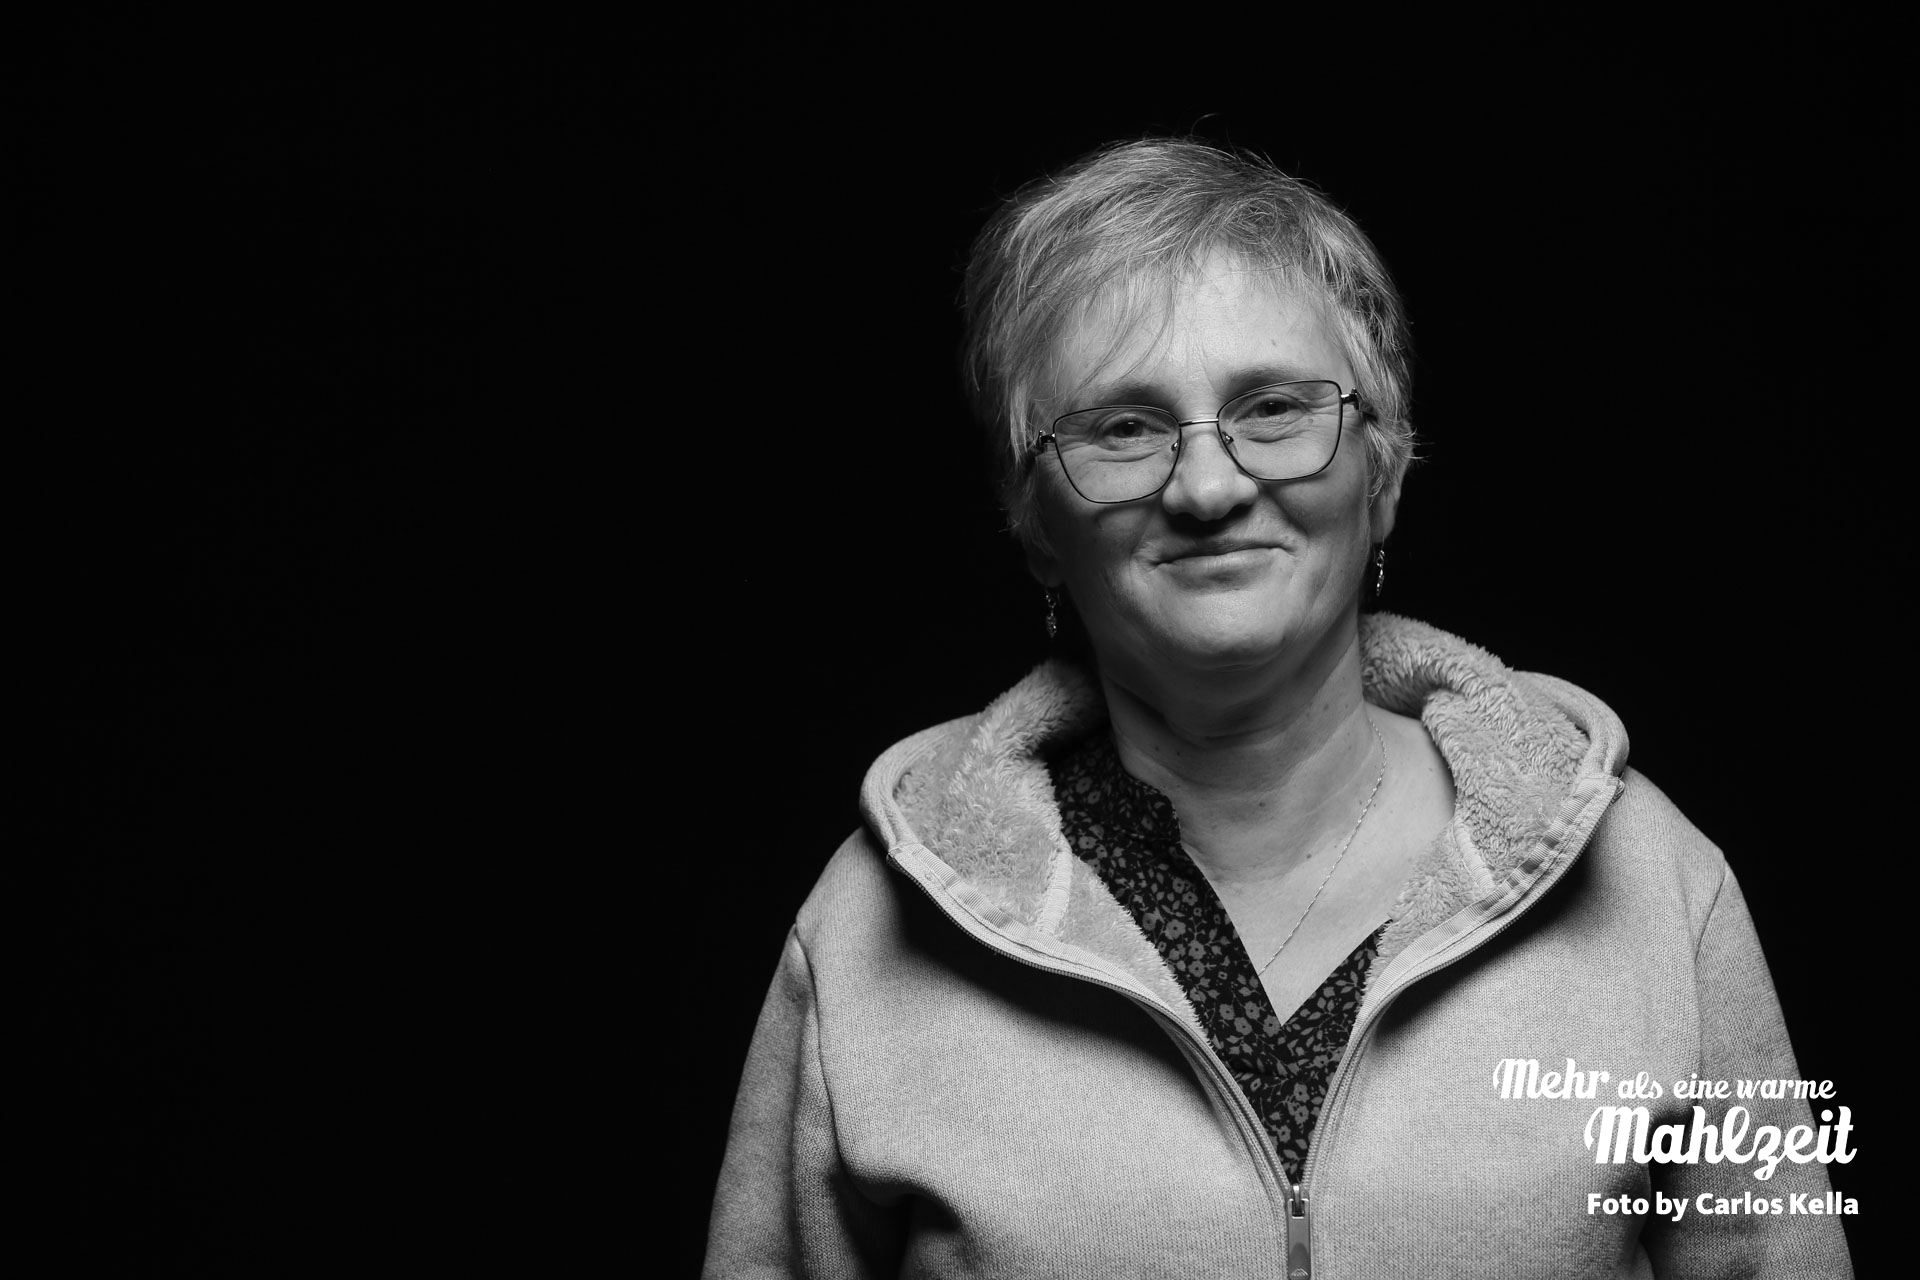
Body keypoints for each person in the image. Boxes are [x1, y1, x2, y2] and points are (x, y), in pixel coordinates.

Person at [704, 139, 1852, 1277]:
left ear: (1383, 474)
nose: (1208, 487)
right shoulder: (872, 924)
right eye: (1124, 427)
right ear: (1036, 523)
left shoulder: (1652, 883)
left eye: (1273, 408)